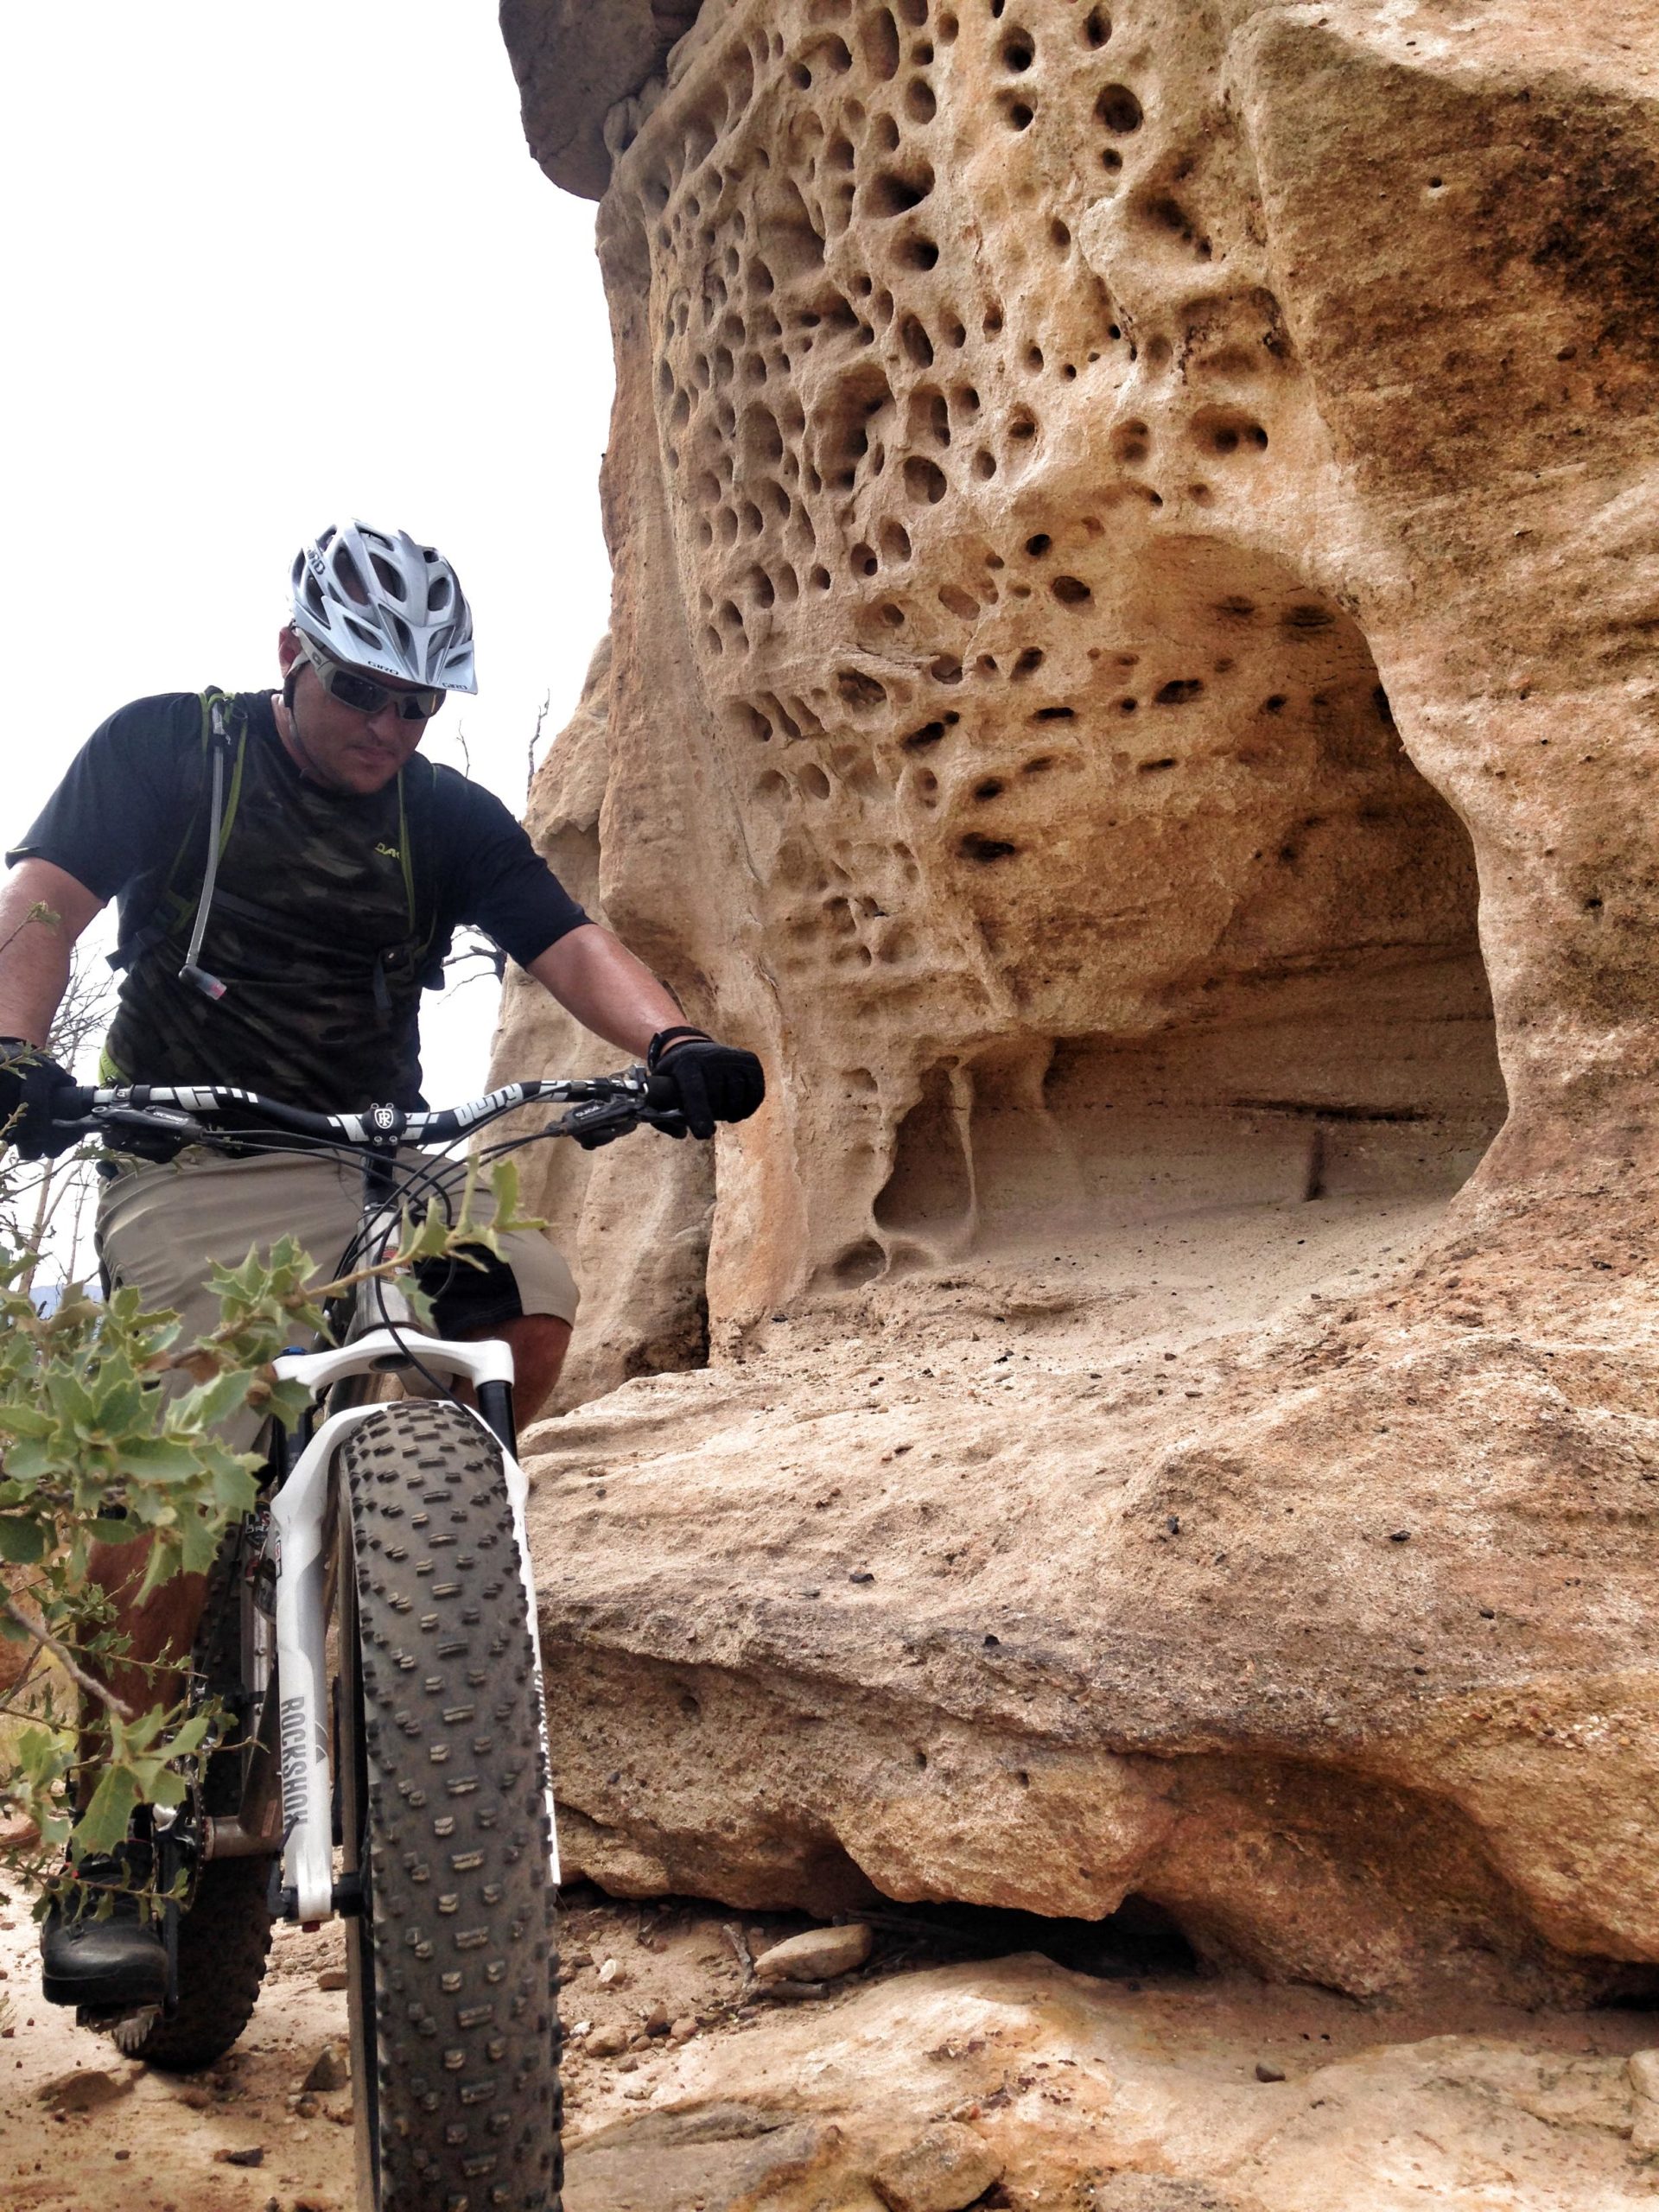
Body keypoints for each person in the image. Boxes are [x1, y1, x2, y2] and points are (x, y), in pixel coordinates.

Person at [0, 520, 765, 2007]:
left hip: (381, 1165)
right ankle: (115, 1836)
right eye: (363, 691)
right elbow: (42, 898)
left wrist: (671, 1040)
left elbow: (566, 943)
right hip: (193, 1159)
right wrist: (14, 1053)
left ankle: (413, 1590)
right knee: (176, 1450)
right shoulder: (172, 752)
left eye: (420, 703)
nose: (388, 726)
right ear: (294, 655)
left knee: (525, 1292)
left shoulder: (446, 816)